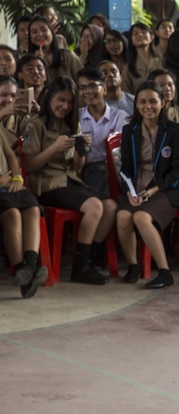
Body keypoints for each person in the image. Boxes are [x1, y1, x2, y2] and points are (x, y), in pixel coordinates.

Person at [21, 76, 117, 284]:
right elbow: (29, 166)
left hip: (69, 181)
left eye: (69, 102)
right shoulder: (35, 125)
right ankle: (80, 267)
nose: (65, 106)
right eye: (60, 100)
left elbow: (77, 167)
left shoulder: (72, 125)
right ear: (49, 99)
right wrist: (54, 147)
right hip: (46, 185)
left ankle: (89, 256)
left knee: (110, 206)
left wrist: (81, 151)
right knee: (95, 207)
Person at [117, 81, 179, 288]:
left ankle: (164, 272)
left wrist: (154, 189)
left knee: (141, 216)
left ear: (162, 103)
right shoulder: (130, 130)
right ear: (136, 105)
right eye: (143, 102)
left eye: (153, 101)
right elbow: (125, 168)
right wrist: (129, 191)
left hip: (165, 188)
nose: (148, 106)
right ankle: (133, 265)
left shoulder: (172, 130)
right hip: (137, 187)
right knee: (123, 215)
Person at [1, 124, 48, 298]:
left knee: (33, 209)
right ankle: (25, 272)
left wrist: (16, 178)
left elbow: (11, 156)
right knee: (12, 214)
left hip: (8, 186)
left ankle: (29, 265)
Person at [77, 67, 130, 195]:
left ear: (104, 89)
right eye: (82, 88)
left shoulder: (119, 116)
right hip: (89, 168)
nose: (88, 91)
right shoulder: (77, 118)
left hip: (116, 166)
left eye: (92, 86)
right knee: (102, 175)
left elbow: (122, 151)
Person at [28, 16, 83, 83]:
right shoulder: (28, 63)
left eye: (43, 30)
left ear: (52, 32)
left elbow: (83, 78)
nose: (39, 34)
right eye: (34, 32)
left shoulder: (67, 56)